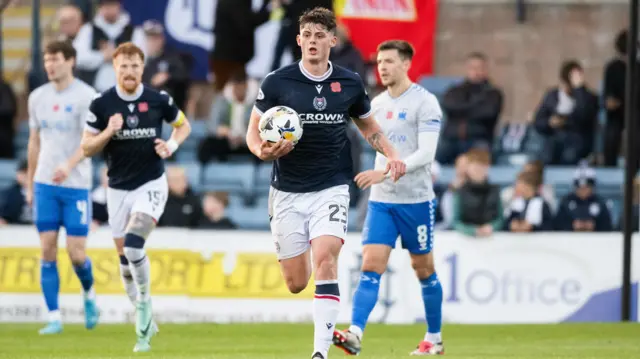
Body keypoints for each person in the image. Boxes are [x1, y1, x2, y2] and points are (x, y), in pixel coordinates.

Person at [245, 8, 406, 359]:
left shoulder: (349, 82)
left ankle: (320, 353)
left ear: (333, 40)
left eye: (321, 35)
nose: (313, 41)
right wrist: (263, 152)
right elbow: (253, 133)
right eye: (308, 35)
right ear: (299, 40)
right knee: (296, 282)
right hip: (287, 190)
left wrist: (392, 154)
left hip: (332, 185)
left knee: (326, 260)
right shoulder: (277, 82)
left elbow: (369, 127)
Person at [332, 40, 444, 356]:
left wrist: (388, 170)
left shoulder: (426, 103)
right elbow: (377, 145)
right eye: (380, 61)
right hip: (383, 200)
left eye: (389, 61)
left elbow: (426, 154)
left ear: (407, 64)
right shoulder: (376, 105)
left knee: (423, 269)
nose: (382, 66)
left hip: (416, 200)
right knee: (371, 265)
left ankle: (434, 338)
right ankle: (355, 334)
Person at [80, 42, 192, 352]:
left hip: (152, 184)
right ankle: (143, 313)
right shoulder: (101, 104)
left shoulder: (158, 99)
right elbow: (86, 147)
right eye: (123, 66)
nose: (129, 72)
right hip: (117, 188)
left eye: (134, 66)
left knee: (133, 245)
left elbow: (183, 126)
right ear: (115, 68)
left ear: (143, 69)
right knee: (124, 260)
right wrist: (107, 133)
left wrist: (171, 147)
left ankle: (144, 305)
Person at [26, 41, 99, 335]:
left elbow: (89, 142)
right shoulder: (37, 97)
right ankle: (54, 316)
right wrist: (32, 182)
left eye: (55, 59)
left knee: (76, 253)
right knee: (46, 250)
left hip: (75, 185)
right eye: (46, 59)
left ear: (70, 61)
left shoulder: (86, 97)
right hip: (45, 184)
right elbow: (34, 141)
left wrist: (68, 165)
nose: (50, 65)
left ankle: (89, 294)